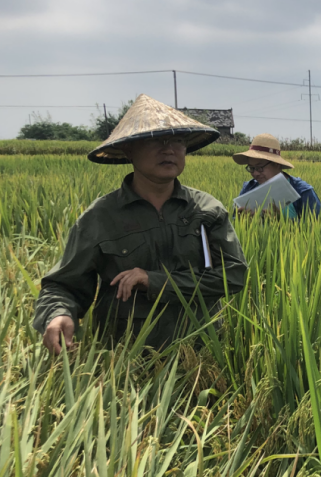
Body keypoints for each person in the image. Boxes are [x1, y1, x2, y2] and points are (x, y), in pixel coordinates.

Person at [33, 94, 248, 353]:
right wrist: (58, 314)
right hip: (124, 357)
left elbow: (234, 275)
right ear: (128, 149)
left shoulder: (206, 210)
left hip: (201, 352)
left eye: (178, 141)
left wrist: (154, 281)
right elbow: (63, 284)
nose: (169, 149)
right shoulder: (101, 217)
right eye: (155, 140)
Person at [233, 134, 321, 220]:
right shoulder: (248, 188)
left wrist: (281, 221)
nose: (255, 173)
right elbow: (233, 225)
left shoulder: (302, 191)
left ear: (276, 165)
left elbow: (317, 227)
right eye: (251, 168)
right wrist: (240, 220)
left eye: (259, 168)